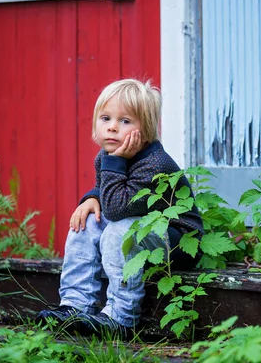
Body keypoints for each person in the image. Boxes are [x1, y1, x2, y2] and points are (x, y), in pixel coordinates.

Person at [36, 79, 204, 339]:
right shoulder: (108, 155)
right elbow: (106, 189)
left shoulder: (155, 163)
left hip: (178, 239)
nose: (113, 127)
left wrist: (114, 165)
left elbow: (116, 208)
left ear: (145, 131)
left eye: (125, 121)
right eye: (106, 118)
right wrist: (91, 198)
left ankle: (122, 318)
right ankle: (75, 304)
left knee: (120, 230)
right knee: (87, 222)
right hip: (139, 226)